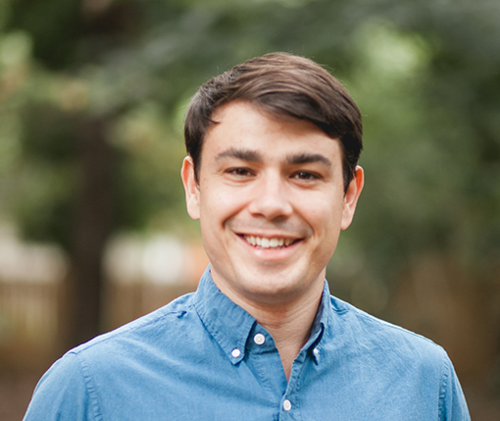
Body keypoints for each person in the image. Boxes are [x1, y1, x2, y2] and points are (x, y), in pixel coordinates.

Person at [23, 52, 470, 420]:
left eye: (305, 174)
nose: (271, 203)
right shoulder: (89, 392)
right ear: (193, 187)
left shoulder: (425, 384)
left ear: (349, 196)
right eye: (240, 171)